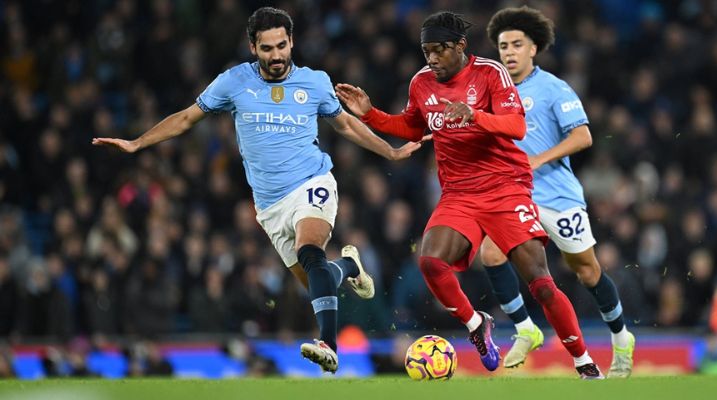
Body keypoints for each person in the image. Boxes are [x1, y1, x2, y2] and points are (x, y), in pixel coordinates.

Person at [93, 6, 423, 374]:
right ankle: (347, 266)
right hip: (268, 206)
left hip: (312, 182)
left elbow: (345, 125)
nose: (277, 55)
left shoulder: (315, 82)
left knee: (310, 250)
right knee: (317, 277)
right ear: (253, 47)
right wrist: (138, 143)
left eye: (282, 45)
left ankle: (328, 344)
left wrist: (390, 152)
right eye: (267, 48)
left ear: (292, 42)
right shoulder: (233, 82)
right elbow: (186, 118)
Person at [336, 11, 602, 378]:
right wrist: (371, 115)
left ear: (460, 46)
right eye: (426, 51)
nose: (431, 59)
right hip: (459, 192)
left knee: (540, 284)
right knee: (430, 261)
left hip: (505, 187)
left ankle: (583, 360)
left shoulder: (490, 73)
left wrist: (474, 115)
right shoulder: (421, 83)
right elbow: (412, 126)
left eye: (438, 51)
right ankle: (476, 324)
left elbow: (517, 126)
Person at [483, 6, 635, 376]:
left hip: (558, 195)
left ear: (533, 48)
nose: (509, 52)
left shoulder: (553, 88)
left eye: (517, 44)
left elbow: (583, 136)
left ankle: (621, 337)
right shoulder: (490, 92)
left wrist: (537, 160)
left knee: (587, 271)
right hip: (516, 196)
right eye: (503, 45)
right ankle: (525, 328)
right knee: (490, 253)